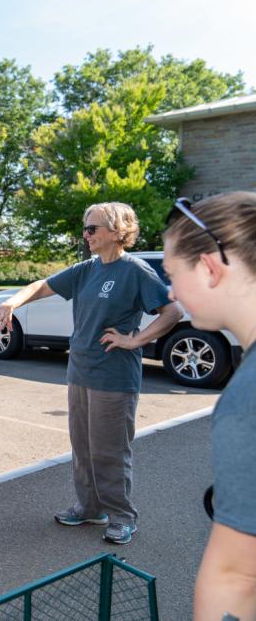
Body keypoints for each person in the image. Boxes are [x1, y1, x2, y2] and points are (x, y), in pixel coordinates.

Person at [0, 202, 182, 545]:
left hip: (114, 378)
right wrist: (12, 303)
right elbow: (41, 286)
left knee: (110, 450)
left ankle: (122, 516)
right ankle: (90, 507)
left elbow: (172, 312)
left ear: (116, 232)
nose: (86, 234)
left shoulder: (135, 271)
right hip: (80, 372)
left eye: (92, 228)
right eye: (85, 228)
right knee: (83, 448)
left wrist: (134, 340)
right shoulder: (86, 270)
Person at [161, 192, 256, 620]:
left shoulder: (247, 401)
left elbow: (236, 578)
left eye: (172, 273)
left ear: (209, 268)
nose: (171, 290)